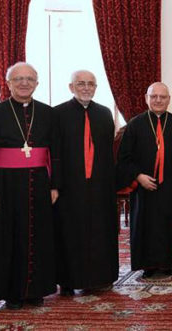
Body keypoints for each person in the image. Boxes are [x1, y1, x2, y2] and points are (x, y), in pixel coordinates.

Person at [0, 62, 59, 309]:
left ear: (37, 83)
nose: (24, 83)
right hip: (5, 186)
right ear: (8, 83)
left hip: (39, 184)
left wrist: (55, 186)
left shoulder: (47, 113)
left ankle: (36, 290)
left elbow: (56, 153)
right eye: (18, 79)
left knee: (39, 236)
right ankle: (11, 293)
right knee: (8, 238)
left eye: (29, 79)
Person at [53, 71, 118, 295]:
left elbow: (108, 153)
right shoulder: (57, 114)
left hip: (100, 186)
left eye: (91, 84)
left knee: (100, 232)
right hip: (70, 186)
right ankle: (68, 280)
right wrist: (55, 184)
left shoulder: (104, 113)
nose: (86, 88)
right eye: (81, 83)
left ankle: (101, 278)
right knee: (70, 233)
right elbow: (54, 154)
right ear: (71, 87)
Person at [117, 82, 172, 279]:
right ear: (146, 98)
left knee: (168, 225)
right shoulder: (135, 124)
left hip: (170, 186)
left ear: (169, 99)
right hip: (143, 187)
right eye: (154, 96)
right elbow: (124, 157)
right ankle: (147, 266)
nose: (158, 100)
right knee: (144, 225)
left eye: (162, 97)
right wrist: (139, 176)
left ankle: (166, 265)